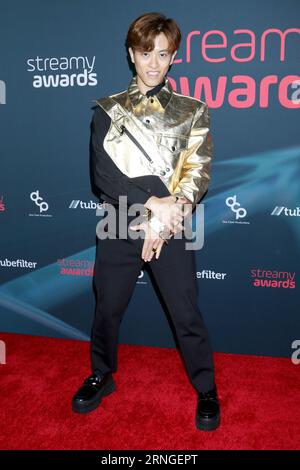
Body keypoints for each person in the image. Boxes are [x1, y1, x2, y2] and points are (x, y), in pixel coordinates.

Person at [72, 11, 220, 431]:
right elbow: (103, 176)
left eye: (163, 54)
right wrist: (153, 204)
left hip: (173, 223)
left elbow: (198, 170)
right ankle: (102, 374)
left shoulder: (193, 111)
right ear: (130, 54)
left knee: (186, 311)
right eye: (145, 52)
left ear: (174, 57)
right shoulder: (107, 110)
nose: (153, 63)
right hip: (119, 223)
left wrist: (168, 214)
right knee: (107, 307)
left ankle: (206, 388)